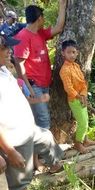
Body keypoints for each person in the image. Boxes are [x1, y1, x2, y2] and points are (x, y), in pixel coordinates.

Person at [0, 35, 63, 190]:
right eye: (4, 48)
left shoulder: (4, 70)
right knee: (21, 183)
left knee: (47, 138)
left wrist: (39, 100)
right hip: (14, 140)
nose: (10, 51)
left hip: (26, 130)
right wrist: (10, 152)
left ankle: (55, 165)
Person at [14, 1, 67, 129]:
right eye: (43, 17)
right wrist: (28, 88)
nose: (44, 20)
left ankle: (40, 146)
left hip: (45, 85)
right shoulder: (23, 37)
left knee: (41, 118)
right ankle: (46, 148)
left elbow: (58, 28)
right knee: (43, 120)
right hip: (33, 86)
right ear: (39, 18)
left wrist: (62, 6)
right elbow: (18, 64)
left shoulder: (40, 33)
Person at [59, 40, 95, 153]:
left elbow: (83, 82)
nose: (72, 55)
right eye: (69, 52)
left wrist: (84, 95)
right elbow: (68, 88)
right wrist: (79, 96)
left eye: (74, 52)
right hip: (74, 100)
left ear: (77, 53)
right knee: (83, 123)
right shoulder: (64, 70)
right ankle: (78, 143)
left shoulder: (76, 66)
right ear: (63, 53)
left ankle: (85, 140)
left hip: (82, 97)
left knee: (86, 119)